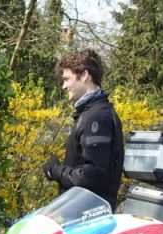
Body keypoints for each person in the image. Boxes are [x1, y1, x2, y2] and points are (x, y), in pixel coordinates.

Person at [43, 49, 125, 212]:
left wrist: (54, 171)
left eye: (67, 79)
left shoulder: (96, 117)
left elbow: (92, 176)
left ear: (84, 75)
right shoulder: (91, 113)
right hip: (84, 212)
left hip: (88, 217)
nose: (64, 86)